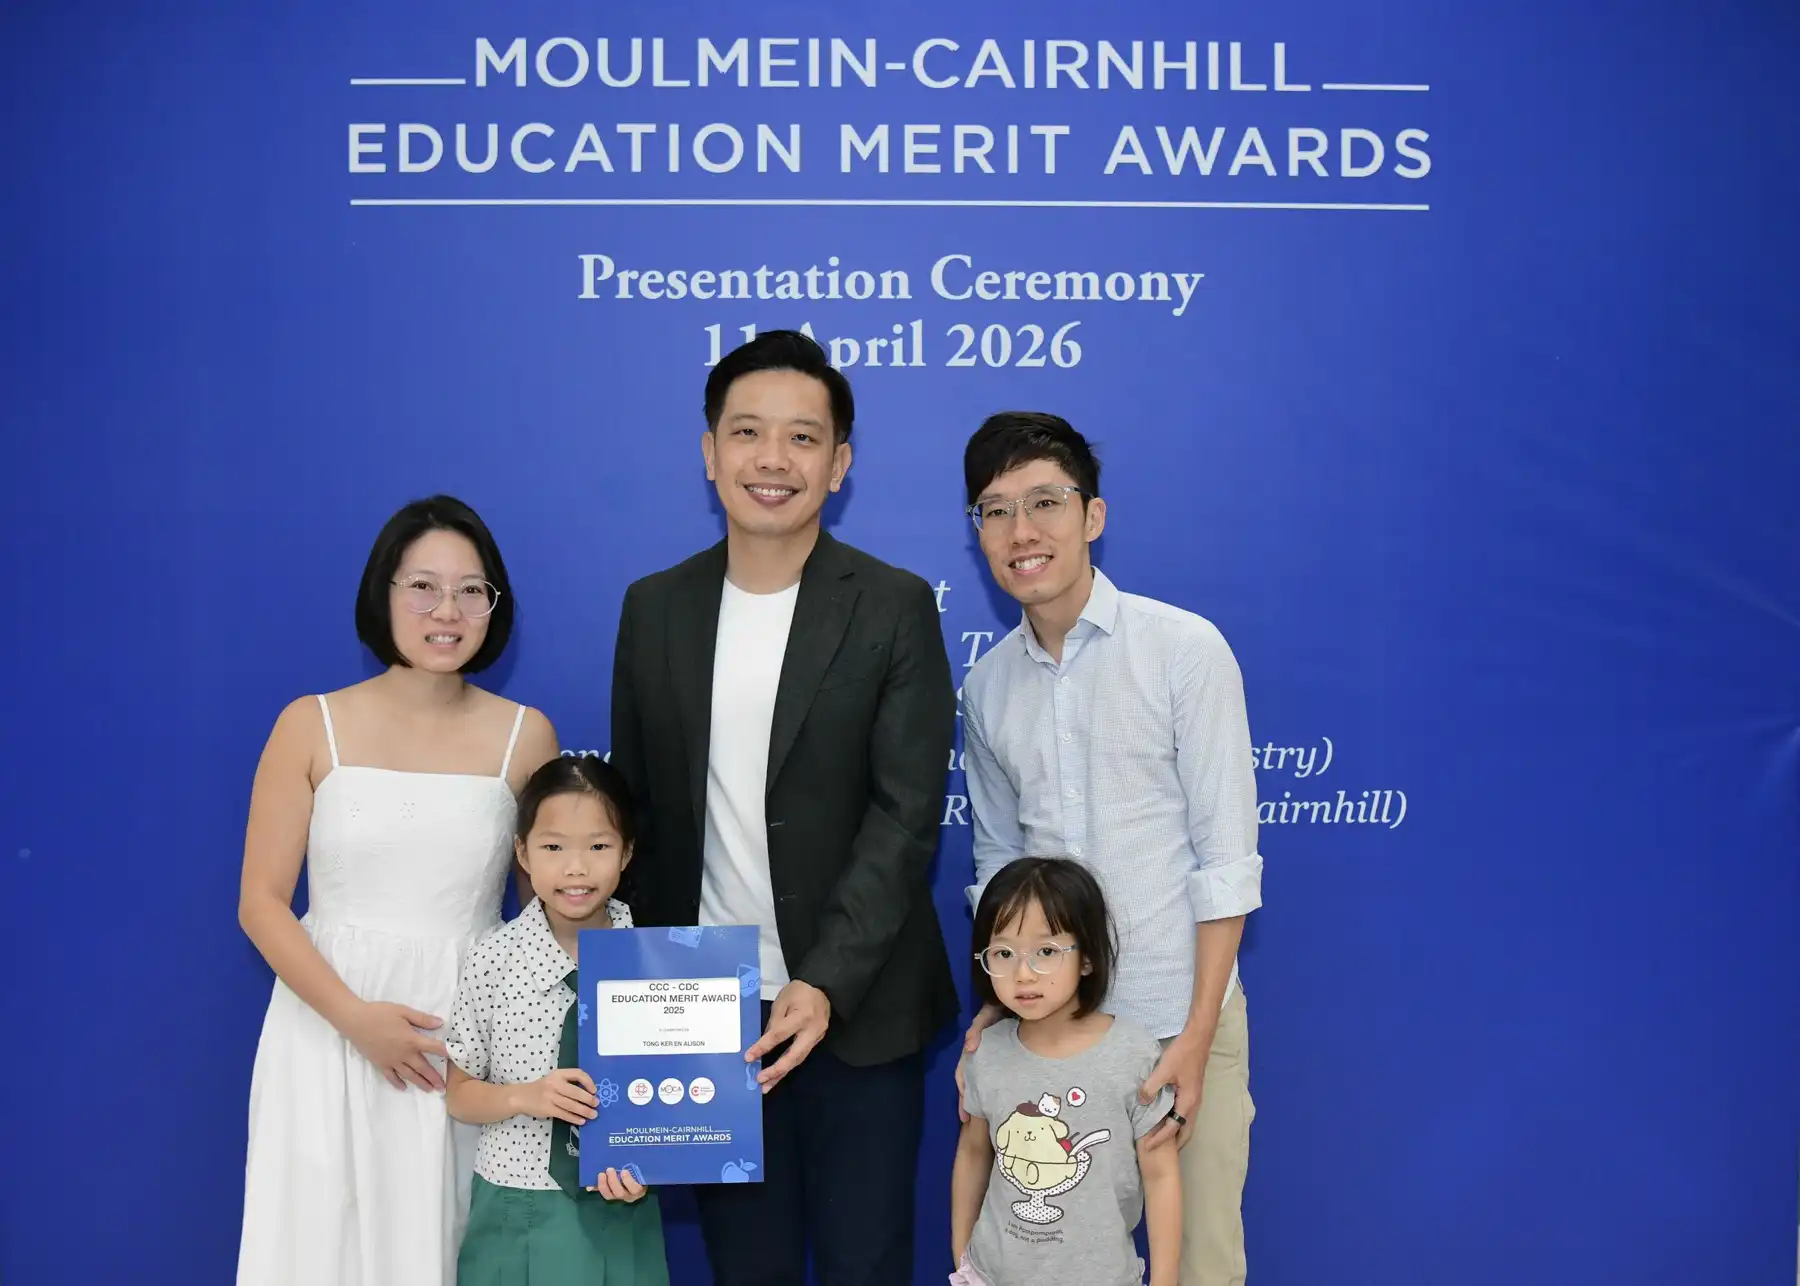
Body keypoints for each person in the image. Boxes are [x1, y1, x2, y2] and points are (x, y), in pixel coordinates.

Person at [609, 330, 959, 1285]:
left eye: (802, 438)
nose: (773, 459)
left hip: (859, 1008)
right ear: (709, 451)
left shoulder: (891, 605)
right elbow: (634, 824)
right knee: (745, 1269)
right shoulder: (654, 608)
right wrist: (632, 1025)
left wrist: (823, 980)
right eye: (747, 432)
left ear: (839, 465)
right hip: (705, 1016)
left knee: (864, 1264)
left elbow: (905, 815)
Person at [955, 414, 1263, 1286]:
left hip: (1176, 1019)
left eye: (1045, 502)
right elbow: (1001, 864)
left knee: (1198, 1266)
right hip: (1051, 1034)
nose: (1021, 530)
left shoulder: (1184, 650)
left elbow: (1226, 861)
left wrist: (1195, 1037)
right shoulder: (987, 687)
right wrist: (1006, 998)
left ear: (1092, 515)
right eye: (995, 510)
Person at [236, 495, 560, 1286]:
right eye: (422, 587)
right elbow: (261, 903)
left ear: (495, 606)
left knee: (445, 1242)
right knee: (320, 1243)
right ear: (383, 593)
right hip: (326, 1024)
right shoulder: (309, 724)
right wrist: (356, 1020)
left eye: (471, 590)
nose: (447, 611)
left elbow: (549, 916)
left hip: (463, 1040)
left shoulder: (526, 736)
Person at [444, 754, 669, 1285]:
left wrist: (651, 1168)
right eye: (553, 847)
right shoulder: (492, 960)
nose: (576, 868)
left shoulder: (661, 963)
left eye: (598, 846)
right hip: (515, 1205)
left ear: (627, 851)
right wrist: (526, 1096)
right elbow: (460, 1094)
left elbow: (678, 1097)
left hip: (622, 1208)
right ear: (522, 852)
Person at [951, 857, 1180, 1286]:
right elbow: (973, 1153)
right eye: (1003, 953)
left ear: (1088, 958)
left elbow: (1161, 1173)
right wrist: (964, 1259)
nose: (1023, 974)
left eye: (1046, 952)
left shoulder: (1133, 1054)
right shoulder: (988, 1051)